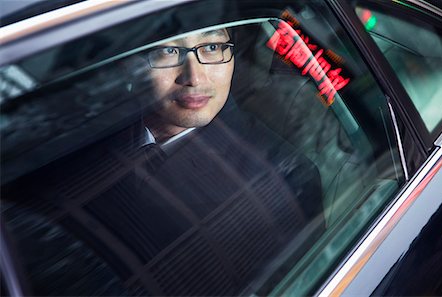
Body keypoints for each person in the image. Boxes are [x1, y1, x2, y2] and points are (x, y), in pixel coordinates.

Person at [3, 27, 324, 296]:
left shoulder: (283, 178)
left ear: (232, 59)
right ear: (129, 67)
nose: (194, 77)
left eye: (211, 47)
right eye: (167, 53)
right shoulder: (72, 140)